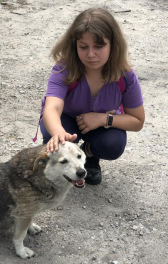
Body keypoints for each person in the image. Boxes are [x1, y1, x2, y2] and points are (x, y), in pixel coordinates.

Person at [38, 8, 145, 185]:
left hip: (101, 124)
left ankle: (88, 155)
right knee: (52, 138)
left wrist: (104, 119)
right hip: (67, 119)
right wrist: (59, 134)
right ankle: (65, 165)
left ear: (113, 44)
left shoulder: (125, 75)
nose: (91, 54)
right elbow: (52, 107)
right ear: (74, 45)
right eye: (83, 47)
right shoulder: (64, 68)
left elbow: (137, 120)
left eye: (99, 46)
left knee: (112, 145)